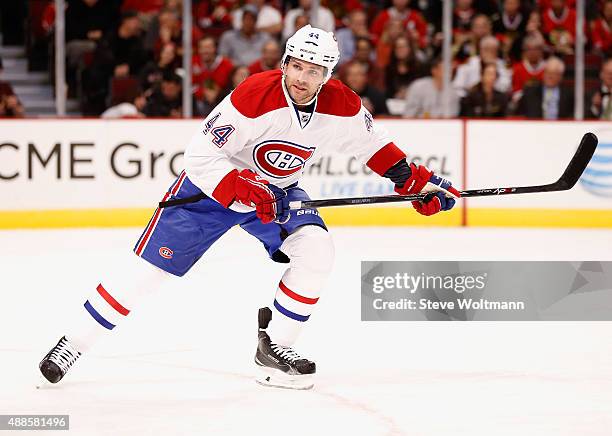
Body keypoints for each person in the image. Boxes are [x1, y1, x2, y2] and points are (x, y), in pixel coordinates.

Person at [38, 25, 460, 391]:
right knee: (146, 275)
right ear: (285, 62)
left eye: (313, 71)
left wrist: (413, 182)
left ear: (327, 75)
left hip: (275, 194)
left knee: (317, 250)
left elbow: (373, 146)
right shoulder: (254, 94)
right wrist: (240, 185)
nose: (301, 77)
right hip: (210, 190)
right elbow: (200, 156)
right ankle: (73, 343)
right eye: (296, 65)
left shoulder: (342, 104)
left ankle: (275, 346)